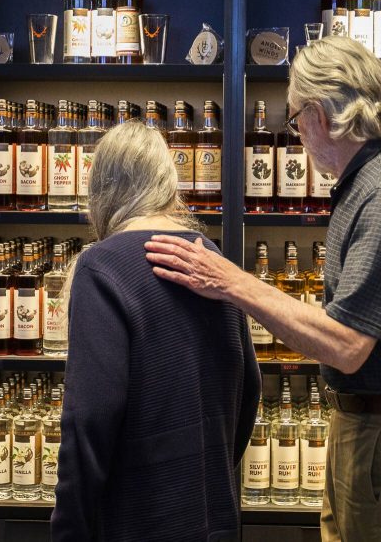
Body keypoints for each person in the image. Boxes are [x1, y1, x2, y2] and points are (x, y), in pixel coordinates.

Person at [145, 36, 381, 542]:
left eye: (294, 121)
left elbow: (345, 344)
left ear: (319, 114)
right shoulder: (380, 177)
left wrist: (231, 282)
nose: (296, 137)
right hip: (376, 425)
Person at [51, 120, 261, 542]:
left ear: (101, 189)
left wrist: (70, 528)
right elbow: (249, 390)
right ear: (169, 182)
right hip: (213, 512)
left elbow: (89, 418)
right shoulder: (210, 257)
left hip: (137, 517)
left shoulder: (103, 265)